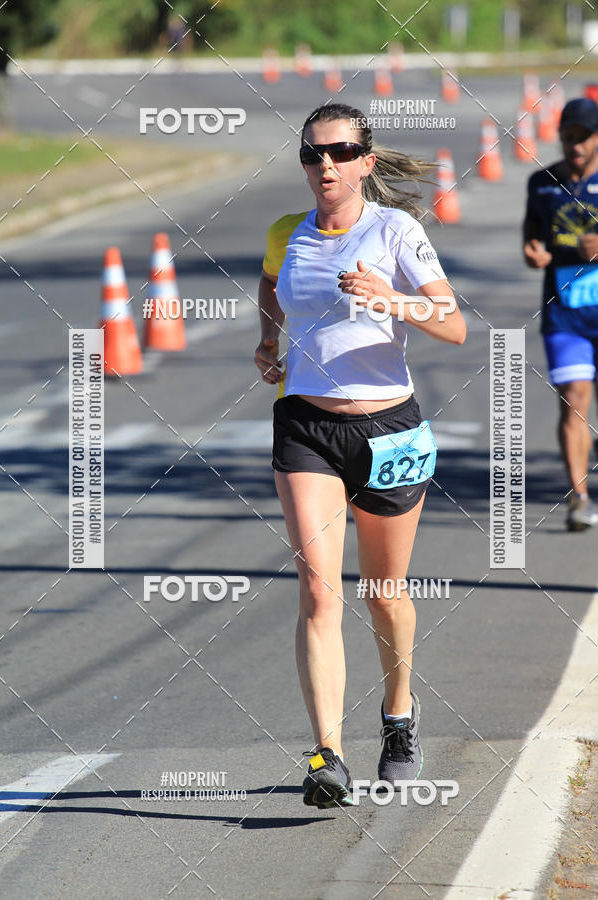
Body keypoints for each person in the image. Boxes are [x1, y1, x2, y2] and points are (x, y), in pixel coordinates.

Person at [254, 103, 466, 809]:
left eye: (341, 153)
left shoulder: (396, 230)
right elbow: (271, 287)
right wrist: (268, 340)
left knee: (383, 593)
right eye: (313, 155)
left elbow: (457, 326)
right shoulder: (288, 233)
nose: (326, 167)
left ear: (365, 162)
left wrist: (393, 299)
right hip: (306, 427)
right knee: (319, 592)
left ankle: (398, 719)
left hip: (388, 432)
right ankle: (327, 755)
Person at [523, 97, 598, 531]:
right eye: (568, 137)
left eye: (583, 138)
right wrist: (534, 255)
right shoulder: (542, 183)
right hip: (565, 316)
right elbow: (531, 242)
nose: (575, 146)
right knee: (575, 404)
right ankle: (579, 497)